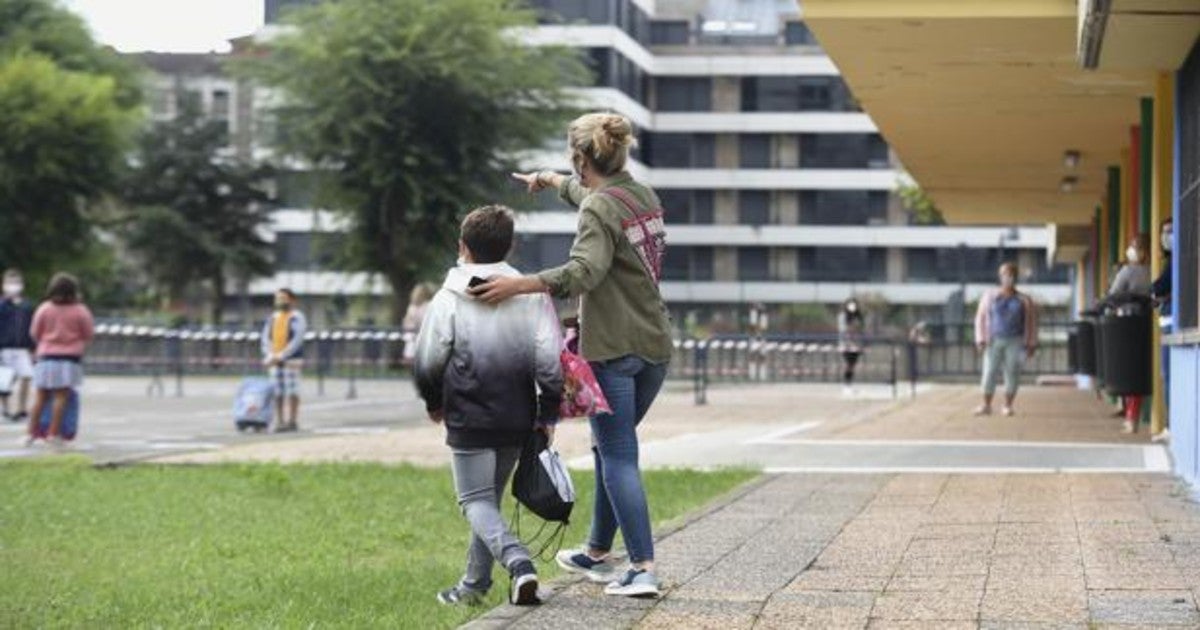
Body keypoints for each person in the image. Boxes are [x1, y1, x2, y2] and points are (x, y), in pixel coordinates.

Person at [472, 112, 673, 598]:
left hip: (612, 350)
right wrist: (550, 180)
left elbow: (583, 271)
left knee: (619, 454)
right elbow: (593, 198)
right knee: (611, 448)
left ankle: (643, 568)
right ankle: (598, 553)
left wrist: (521, 284)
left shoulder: (598, 210)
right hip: (654, 348)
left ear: (584, 159)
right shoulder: (641, 196)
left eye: (572, 163)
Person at [413, 206, 562, 607]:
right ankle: (473, 586)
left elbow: (428, 358)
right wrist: (548, 412)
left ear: (463, 247)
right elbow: (550, 359)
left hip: (469, 413)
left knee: (474, 501)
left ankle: (518, 563)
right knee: (488, 501)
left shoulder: (448, 298)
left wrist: (433, 401)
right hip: (517, 414)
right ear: (511, 245)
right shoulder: (529, 293)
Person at [25, 273, 94, 446]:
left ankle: (30, 434)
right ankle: (53, 434)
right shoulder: (80, 310)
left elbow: (34, 332)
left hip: (46, 356)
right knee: (60, 397)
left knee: (40, 397)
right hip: (69, 359)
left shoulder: (44, 308)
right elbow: (88, 334)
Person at [973, 262, 1038, 417]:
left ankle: (1008, 405)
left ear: (1015, 277)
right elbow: (980, 318)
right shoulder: (990, 296)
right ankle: (986, 405)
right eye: (1004, 274)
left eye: (1010, 274)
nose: (1007, 277)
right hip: (993, 340)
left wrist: (1031, 344)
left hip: (1015, 341)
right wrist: (980, 339)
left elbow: (1032, 323)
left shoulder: (1024, 299)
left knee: (1012, 372)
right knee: (989, 372)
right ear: (1000, 276)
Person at [1108, 234, 1153, 434]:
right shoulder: (1154, 270)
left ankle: (1131, 418)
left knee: (1128, 371)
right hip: (1148, 323)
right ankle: (1134, 416)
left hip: (1126, 323)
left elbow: (1113, 293)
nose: (1131, 249)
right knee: (1142, 371)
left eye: (1134, 246)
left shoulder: (1127, 271)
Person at [260, 288, 306, 433]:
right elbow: (266, 338)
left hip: (291, 360)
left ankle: (292, 421)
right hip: (274, 360)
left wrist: (282, 355)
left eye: (284, 298)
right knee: (277, 392)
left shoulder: (297, 317)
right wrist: (269, 355)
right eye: (278, 298)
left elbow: (296, 339)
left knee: (292, 390)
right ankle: (280, 421)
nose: (280, 301)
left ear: (292, 300)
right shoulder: (273, 317)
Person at [0, 269, 35, 422]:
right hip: (4, 348)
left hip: (22, 349)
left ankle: (22, 409)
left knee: (26, 376)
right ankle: (6, 410)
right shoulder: (2, 305)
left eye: (16, 283)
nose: (13, 286)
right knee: (5, 381)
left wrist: (32, 347)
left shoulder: (27, 306)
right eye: (9, 283)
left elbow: (32, 327)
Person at [1151, 218, 1172, 442]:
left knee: (1168, 375)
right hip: (1167, 321)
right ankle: (1170, 424)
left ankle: (1171, 425)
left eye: (1172, 231)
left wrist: (1159, 293)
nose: (1167, 236)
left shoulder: (1178, 261)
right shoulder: (1170, 261)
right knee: (1166, 375)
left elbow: (1159, 287)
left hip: (1174, 321)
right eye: (1165, 231)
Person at [401, 283, 434, 367]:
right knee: (410, 356)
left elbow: (427, 319)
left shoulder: (429, 305)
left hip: (423, 334)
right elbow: (407, 319)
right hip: (412, 334)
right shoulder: (412, 306)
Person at [838, 298, 865, 396]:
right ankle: (846, 385)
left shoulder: (858, 316)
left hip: (856, 344)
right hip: (846, 344)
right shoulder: (843, 316)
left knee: (853, 365)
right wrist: (849, 342)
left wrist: (859, 344)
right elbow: (844, 330)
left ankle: (849, 385)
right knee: (848, 364)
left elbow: (860, 329)